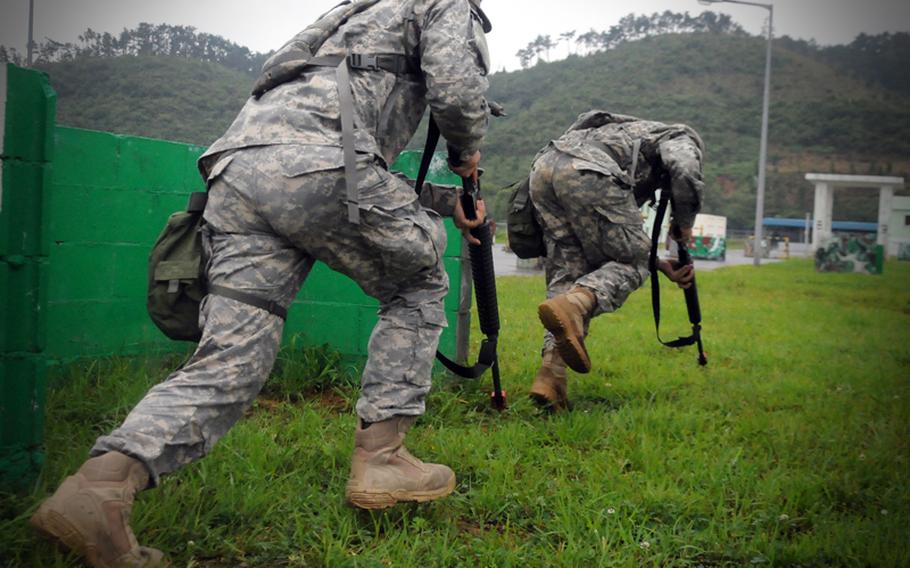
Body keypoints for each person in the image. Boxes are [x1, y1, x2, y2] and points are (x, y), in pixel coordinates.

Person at [29, 0, 492, 565]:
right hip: (323, 166)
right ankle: (383, 458)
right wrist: (466, 152)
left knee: (230, 358)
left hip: (237, 173)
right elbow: (455, 92)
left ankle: (99, 486)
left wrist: (443, 203)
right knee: (418, 284)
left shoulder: (349, 21)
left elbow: (321, 159)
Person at [526, 110, 703, 410]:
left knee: (568, 275)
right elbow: (686, 169)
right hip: (588, 172)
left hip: (544, 169)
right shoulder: (679, 136)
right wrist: (684, 222)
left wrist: (660, 264)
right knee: (635, 263)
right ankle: (578, 305)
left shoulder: (622, 131)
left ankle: (551, 377)